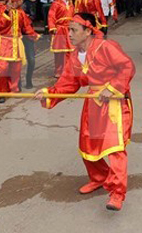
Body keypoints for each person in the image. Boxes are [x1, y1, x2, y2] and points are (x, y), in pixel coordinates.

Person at [35, 13, 135, 211]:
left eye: (73, 30)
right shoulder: (74, 55)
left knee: (114, 148)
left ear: (88, 30)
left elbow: (127, 67)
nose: (69, 34)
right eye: (68, 29)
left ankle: (117, 193)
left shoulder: (106, 47)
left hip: (114, 102)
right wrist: (49, 93)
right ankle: (99, 177)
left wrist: (112, 87)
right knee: (88, 144)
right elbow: (69, 83)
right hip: (93, 102)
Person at [0, 0, 39, 102]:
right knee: (2, 68)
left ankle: (14, 88)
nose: (22, 1)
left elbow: (26, 26)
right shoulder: (1, 9)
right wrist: (6, 13)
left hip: (16, 42)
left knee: (16, 68)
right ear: (17, 0)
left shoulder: (21, 12)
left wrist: (33, 35)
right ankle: (1, 93)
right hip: (4, 42)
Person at [48, 0, 74, 78]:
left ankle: (68, 70)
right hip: (60, 29)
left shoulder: (71, 3)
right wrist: (52, 27)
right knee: (59, 52)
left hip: (69, 29)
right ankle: (58, 71)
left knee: (70, 51)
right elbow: (51, 16)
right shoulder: (56, 3)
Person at [17, 0, 37, 90]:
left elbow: (33, 15)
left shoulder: (29, 3)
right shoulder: (13, 5)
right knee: (18, 60)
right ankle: (18, 82)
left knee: (31, 59)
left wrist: (25, 17)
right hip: (18, 36)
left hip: (28, 35)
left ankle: (29, 79)